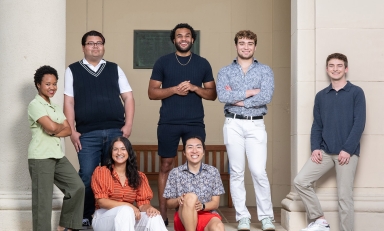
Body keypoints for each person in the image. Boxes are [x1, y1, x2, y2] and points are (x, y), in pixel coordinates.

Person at [64, 30, 135, 227]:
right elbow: (69, 102)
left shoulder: (114, 69)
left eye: (99, 43)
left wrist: (128, 124)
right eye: (90, 43)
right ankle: (86, 215)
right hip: (87, 134)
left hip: (115, 132)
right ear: (83, 47)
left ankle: (108, 216)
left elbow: (128, 97)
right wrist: (72, 130)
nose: (95, 46)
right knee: (87, 174)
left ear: (103, 46)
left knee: (114, 174)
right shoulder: (72, 70)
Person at [148, 23, 217, 224]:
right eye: (179, 36)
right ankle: (163, 213)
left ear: (192, 39)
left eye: (187, 35)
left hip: (195, 122)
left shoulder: (203, 63)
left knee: (195, 165)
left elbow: (212, 94)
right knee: (166, 165)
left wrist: (195, 88)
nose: (184, 38)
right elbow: (152, 92)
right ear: (174, 40)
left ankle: (196, 211)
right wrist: (174, 90)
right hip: (168, 122)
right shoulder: (163, 62)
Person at [294, 53, 366, 231]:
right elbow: (317, 124)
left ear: (346, 69)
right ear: (327, 69)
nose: (335, 69)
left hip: (347, 153)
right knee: (300, 181)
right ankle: (320, 220)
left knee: (344, 197)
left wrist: (347, 149)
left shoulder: (356, 93)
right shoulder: (321, 96)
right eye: (332, 66)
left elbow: (359, 123)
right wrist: (315, 148)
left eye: (339, 65)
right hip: (325, 151)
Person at [216, 30, 275, 231]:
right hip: (232, 123)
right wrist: (251, 92)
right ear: (236, 46)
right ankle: (243, 217)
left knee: (259, 172)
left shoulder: (265, 70)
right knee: (237, 172)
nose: (246, 47)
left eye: (250, 43)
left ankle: (266, 217)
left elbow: (266, 96)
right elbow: (223, 95)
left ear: (255, 47)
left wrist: (239, 100)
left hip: (256, 124)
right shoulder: (225, 71)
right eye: (242, 43)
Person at [27, 65, 85, 231]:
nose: (52, 87)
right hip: (40, 157)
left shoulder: (55, 106)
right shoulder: (34, 104)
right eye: (47, 84)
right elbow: (56, 128)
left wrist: (54, 128)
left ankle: (64, 227)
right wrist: (56, 128)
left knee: (77, 187)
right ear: (38, 84)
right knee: (42, 202)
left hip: (57, 155)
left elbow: (67, 130)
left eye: (54, 83)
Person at [91, 137, 167, 231]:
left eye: (123, 149)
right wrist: (129, 206)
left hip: (127, 219)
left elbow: (143, 203)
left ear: (129, 152)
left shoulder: (139, 176)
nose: (119, 153)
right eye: (115, 149)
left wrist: (149, 208)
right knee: (126, 210)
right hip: (103, 218)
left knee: (154, 217)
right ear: (111, 153)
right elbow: (102, 202)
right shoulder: (102, 172)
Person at [163, 136, 225, 231]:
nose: (194, 151)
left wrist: (202, 206)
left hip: (206, 214)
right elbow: (168, 203)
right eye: (190, 147)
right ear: (184, 152)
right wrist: (178, 200)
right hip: (184, 217)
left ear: (203, 152)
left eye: (198, 147)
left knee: (218, 228)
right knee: (190, 197)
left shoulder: (213, 172)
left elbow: (215, 203)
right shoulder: (175, 173)